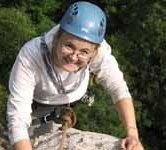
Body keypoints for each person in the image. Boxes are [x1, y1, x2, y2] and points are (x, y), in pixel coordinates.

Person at [7, 1, 143, 150]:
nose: (73, 57)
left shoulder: (98, 51)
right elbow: (18, 121)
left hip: (64, 112)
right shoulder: (31, 57)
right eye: (68, 46)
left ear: (94, 52)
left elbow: (118, 88)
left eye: (84, 52)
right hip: (34, 117)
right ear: (57, 37)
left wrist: (132, 133)